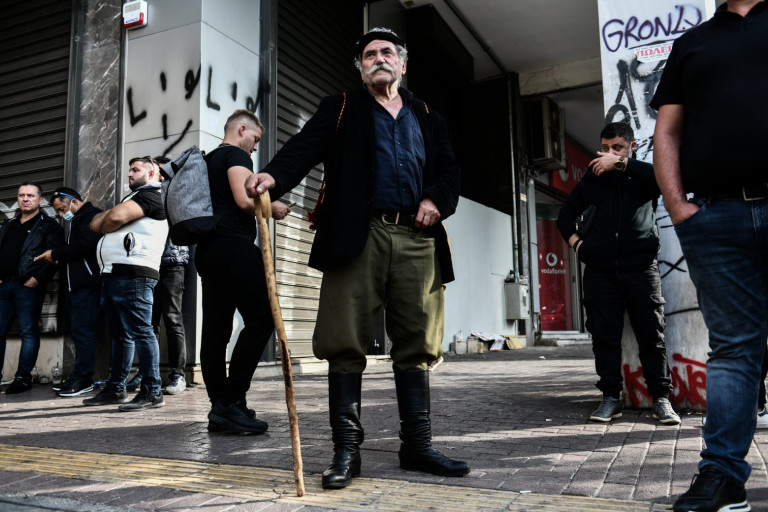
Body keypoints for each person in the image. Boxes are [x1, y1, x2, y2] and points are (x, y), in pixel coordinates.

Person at [246, 27, 469, 489]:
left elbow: (449, 171)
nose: (379, 58)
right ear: (361, 66)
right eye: (370, 54)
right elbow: (302, 149)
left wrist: (435, 200)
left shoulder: (428, 114)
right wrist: (271, 177)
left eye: (388, 52)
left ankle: (417, 446)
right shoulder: (342, 107)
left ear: (403, 64)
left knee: (418, 344)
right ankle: (347, 451)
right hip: (357, 236)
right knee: (343, 342)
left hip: (416, 236)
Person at [651, 1, 768, 510]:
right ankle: (722, 477)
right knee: (733, 349)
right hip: (716, 217)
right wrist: (679, 208)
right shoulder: (691, 43)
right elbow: (668, 130)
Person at [557, 122, 679, 426]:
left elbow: (664, 181)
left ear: (631, 147)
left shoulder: (643, 175)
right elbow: (564, 216)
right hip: (599, 272)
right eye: (606, 147)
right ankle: (611, 397)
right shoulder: (592, 177)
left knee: (652, 335)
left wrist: (622, 164)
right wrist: (579, 247)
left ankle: (661, 399)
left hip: (640, 268)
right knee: (604, 337)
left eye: (617, 148)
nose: (609, 154)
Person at [195, 110, 291, 435]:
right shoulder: (235, 154)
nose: (254, 148)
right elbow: (242, 200)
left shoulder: (206, 161)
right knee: (263, 318)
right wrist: (272, 207)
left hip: (208, 250)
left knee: (216, 331)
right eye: (255, 139)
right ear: (241, 130)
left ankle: (220, 407)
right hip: (233, 246)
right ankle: (231, 401)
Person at [84, 157, 168, 411]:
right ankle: (115, 388)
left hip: (135, 274)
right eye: (129, 169)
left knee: (142, 332)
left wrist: (109, 218)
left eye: (135, 169)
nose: (129, 174)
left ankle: (153, 390)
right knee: (120, 335)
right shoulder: (134, 198)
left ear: (152, 173)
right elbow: (95, 224)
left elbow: (109, 221)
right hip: (113, 274)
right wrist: (108, 219)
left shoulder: (150, 196)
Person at [34, 188, 103, 397]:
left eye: (63, 209)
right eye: (58, 212)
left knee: (83, 331)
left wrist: (55, 252)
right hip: (76, 285)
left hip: (87, 284)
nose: (62, 215)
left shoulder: (91, 216)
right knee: (79, 331)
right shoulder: (77, 220)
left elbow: (84, 246)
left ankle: (84, 379)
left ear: (74, 201)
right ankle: (78, 376)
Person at [0, 183, 63, 394]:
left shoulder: (49, 225)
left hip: (27, 287)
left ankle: (22, 378)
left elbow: (55, 256)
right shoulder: (9, 225)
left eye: (30, 195)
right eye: (21, 195)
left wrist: (38, 277)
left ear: (40, 200)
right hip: (4, 286)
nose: (25, 199)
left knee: (28, 331)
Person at [150, 155, 189, 395]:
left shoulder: (175, 191)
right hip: (148, 263)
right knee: (149, 323)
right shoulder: (146, 193)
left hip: (172, 262)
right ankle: (149, 374)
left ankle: (178, 375)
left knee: (173, 319)